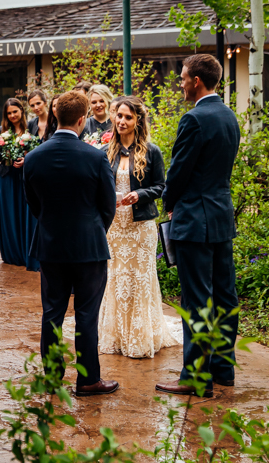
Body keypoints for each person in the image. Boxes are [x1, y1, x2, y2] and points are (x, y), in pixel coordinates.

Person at [157, 54, 241, 397]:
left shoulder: (193, 119)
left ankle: (195, 377)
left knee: (196, 301)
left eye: (183, 78)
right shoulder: (229, 116)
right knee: (225, 296)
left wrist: (169, 203)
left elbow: (178, 172)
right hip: (221, 216)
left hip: (194, 219)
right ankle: (223, 370)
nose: (180, 83)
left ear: (197, 81)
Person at [23, 91, 118, 397]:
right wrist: (94, 229)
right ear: (81, 120)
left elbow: (33, 203)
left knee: (52, 312)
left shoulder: (35, 156)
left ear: (54, 118)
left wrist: (52, 224)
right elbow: (108, 204)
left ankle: (52, 378)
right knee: (87, 314)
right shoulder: (95, 156)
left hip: (51, 245)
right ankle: (88, 380)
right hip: (89, 246)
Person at [98, 96, 179, 359]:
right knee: (117, 278)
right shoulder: (105, 151)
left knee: (140, 279)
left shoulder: (151, 151)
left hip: (140, 225)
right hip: (115, 227)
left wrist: (140, 194)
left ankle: (141, 336)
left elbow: (161, 186)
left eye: (128, 117)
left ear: (138, 120)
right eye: (119, 116)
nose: (122, 121)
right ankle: (118, 335)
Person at [0, 99, 36, 269]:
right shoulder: (1, 132)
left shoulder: (31, 129)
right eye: (9, 113)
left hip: (26, 177)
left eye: (15, 112)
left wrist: (27, 159)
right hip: (8, 177)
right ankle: (12, 253)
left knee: (26, 213)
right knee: (10, 213)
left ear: (21, 111)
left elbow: (37, 149)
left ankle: (26, 252)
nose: (12, 116)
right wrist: (8, 157)